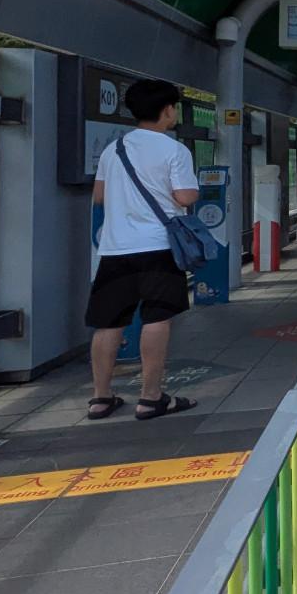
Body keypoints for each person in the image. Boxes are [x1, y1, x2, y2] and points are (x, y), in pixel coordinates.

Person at [85, 78, 201, 421]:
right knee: (156, 318)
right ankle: (150, 398)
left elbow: (99, 196)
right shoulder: (174, 150)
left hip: (115, 249)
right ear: (167, 110)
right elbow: (185, 197)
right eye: (174, 107)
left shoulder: (114, 149)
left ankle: (100, 398)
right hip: (158, 247)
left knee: (108, 323)